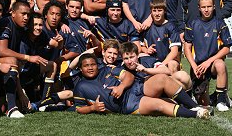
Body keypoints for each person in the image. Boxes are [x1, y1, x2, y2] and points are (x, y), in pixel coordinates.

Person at [73, 50, 211, 119]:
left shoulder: (107, 68)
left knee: (162, 78)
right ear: (80, 68)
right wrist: (93, 108)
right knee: (160, 105)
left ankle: (195, 106)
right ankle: (197, 114)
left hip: (135, 87)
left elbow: (128, 76)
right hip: (128, 104)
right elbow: (79, 109)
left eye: (92, 64)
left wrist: (121, 87)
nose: (90, 68)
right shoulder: (80, 87)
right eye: (86, 66)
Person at [184, 0, 232, 112]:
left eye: (209, 6)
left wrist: (209, 61)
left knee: (220, 64)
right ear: (199, 8)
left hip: (213, 65)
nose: (206, 10)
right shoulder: (192, 24)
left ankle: (221, 100)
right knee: (203, 103)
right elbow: (187, 47)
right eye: (204, 7)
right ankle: (213, 97)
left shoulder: (219, 23)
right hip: (199, 67)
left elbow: (227, 48)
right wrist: (194, 66)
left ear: (214, 7)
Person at [141, 0, 191, 90]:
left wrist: (161, 65)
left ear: (164, 11)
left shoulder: (171, 27)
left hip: (167, 62)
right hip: (153, 62)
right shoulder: (147, 27)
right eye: (154, 10)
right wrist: (147, 50)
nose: (157, 13)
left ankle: (175, 94)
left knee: (172, 64)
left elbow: (174, 52)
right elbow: (141, 46)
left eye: (159, 10)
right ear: (151, 12)